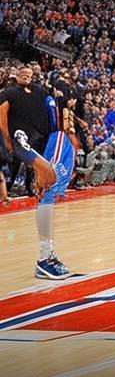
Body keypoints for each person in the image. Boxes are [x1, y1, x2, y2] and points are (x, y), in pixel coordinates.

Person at [0, 66, 80, 278]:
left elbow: (55, 111)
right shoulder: (9, 94)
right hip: (27, 139)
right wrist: (7, 142)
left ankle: (46, 258)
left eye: (29, 73)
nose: (26, 75)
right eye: (22, 73)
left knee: (49, 192)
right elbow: (2, 114)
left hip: (49, 142)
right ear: (14, 76)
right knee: (48, 182)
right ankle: (45, 259)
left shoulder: (42, 91)